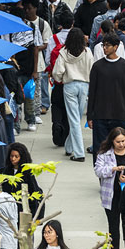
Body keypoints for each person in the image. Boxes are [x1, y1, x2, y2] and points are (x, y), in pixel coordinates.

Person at [88, 33, 125, 154]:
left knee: (119, 149)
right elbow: (92, 92)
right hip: (100, 115)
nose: (104, 48)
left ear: (116, 47)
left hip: (120, 115)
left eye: (108, 45)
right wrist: (90, 116)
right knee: (100, 149)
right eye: (104, 45)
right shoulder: (97, 66)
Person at [52, 27, 93, 162]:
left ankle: (78, 153)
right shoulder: (87, 52)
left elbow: (57, 72)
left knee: (74, 119)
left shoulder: (63, 53)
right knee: (77, 119)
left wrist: (60, 79)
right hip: (84, 86)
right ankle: (70, 148)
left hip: (69, 86)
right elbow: (92, 70)